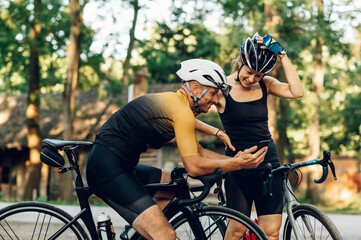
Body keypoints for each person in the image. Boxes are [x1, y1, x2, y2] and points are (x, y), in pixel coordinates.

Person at [86, 58, 268, 240]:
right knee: (165, 234)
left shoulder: (177, 105)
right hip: (106, 169)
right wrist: (237, 163)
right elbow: (194, 167)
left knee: (172, 186)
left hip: (121, 164)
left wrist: (237, 160)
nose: (215, 100)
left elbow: (201, 153)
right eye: (212, 93)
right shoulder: (181, 112)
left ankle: (139, 234)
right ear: (195, 88)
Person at [195, 33, 304, 240]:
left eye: (259, 75)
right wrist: (217, 132)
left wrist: (282, 55)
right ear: (239, 62)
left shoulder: (266, 84)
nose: (253, 79)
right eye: (250, 72)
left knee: (271, 233)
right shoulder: (220, 89)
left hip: (269, 165)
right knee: (236, 232)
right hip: (238, 167)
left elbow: (297, 92)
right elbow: (187, 116)